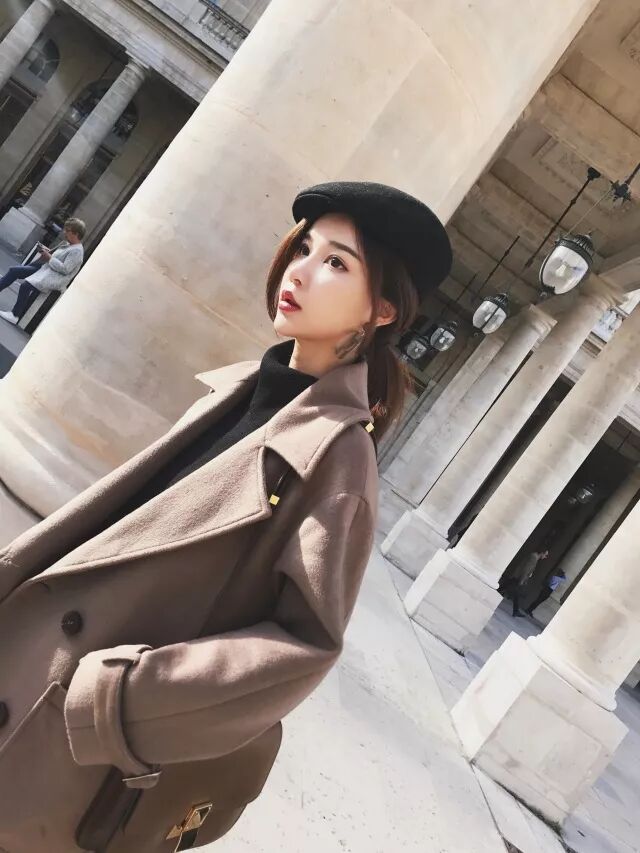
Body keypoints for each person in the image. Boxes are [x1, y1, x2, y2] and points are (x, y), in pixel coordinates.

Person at [0, 181, 452, 852]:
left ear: (381, 310)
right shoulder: (240, 388)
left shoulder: (338, 459)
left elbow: (305, 645)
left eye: (336, 262)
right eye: (303, 248)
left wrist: (119, 699)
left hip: (65, 748)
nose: (300, 271)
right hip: (22, 663)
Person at [0, 217, 85, 325]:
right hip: (45, 269)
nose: (64, 232)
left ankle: (14, 315)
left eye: (67, 231)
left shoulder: (77, 251)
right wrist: (46, 252)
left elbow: (65, 269)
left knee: (25, 285)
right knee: (14, 271)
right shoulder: (68, 244)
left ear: (76, 233)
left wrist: (49, 257)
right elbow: (55, 258)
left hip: (53, 277)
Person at [507, 549, 550, 617]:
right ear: (542, 552)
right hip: (518, 577)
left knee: (509, 588)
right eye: (546, 555)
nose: (546, 557)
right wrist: (522, 580)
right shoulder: (534, 557)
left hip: (518, 577)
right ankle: (516, 611)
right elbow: (526, 569)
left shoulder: (535, 557)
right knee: (516, 592)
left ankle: (515, 611)